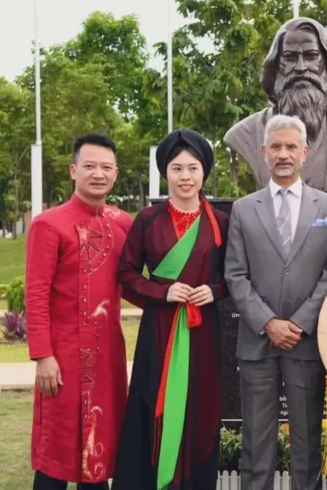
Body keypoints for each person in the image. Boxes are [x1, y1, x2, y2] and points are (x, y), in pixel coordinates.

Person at [224, 114, 327, 490]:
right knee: (256, 446)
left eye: (291, 146)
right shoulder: (244, 209)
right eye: (275, 146)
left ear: (305, 152)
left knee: (307, 443)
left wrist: (299, 324)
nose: (283, 154)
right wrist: (268, 323)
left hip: (306, 343)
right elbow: (235, 274)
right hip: (258, 344)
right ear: (264, 152)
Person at [113, 129, 229, 490]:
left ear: (204, 172)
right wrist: (162, 292)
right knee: (153, 405)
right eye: (177, 169)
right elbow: (126, 274)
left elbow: (234, 276)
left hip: (203, 332)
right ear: (166, 173)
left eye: (193, 168)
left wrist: (213, 291)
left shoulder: (220, 223)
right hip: (160, 332)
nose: (185, 177)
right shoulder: (148, 220)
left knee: (201, 410)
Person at [25, 134, 134, 490]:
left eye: (106, 167)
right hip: (63, 359)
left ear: (116, 174)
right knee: (55, 457)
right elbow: (36, 293)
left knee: (99, 458)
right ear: (74, 171)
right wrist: (43, 355)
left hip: (106, 360)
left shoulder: (124, 225)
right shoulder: (48, 223)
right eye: (89, 166)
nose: (97, 174)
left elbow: (138, 283)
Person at [223, 17, 327, 196]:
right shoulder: (246, 133)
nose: (300, 68)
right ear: (275, 68)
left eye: (311, 56)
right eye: (289, 57)